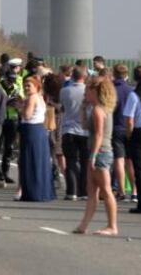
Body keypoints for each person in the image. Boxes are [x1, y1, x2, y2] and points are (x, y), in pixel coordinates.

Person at [73, 76, 118, 236]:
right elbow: (86, 126)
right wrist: (83, 110)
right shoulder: (99, 108)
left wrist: (92, 156)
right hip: (98, 151)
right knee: (92, 191)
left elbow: (99, 134)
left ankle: (112, 226)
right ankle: (83, 225)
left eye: (87, 91)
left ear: (95, 91)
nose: (85, 94)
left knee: (105, 190)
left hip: (100, 153)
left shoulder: (99, 110)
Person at [17, 76, 55, 202]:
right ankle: (42, 191)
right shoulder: (40, 97)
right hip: (39, 130)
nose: (26, 87)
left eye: (29, 85)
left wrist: (19, 107)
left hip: (31, 129)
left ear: (36, 86)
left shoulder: (32, 98)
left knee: (29, 160)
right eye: (25, 85)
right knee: (39, 161)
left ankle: (32, 192)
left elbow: (27, 115)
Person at [123, 66, 141, 213]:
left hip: (139, 132)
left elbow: (129, 119)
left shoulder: (134, 95)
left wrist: (129, 135)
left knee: (140, 170)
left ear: (135, 78)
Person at [60, 67, 90, 200]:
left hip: (69, 129)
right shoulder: (88, 91)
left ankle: (71, 191)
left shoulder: (65, 91)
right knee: (85, 162)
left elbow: (63, 107)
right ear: (85, 77)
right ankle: (84, 191)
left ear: (72, 76)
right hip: (85, 130)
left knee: (71, 161)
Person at [110, 64, 133, 199]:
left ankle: (121, 190)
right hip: (129, 127)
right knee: (130, 161)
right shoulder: (130, 90)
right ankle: (135, 191)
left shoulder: (112, 90)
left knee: (118, 159)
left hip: (116, 126)